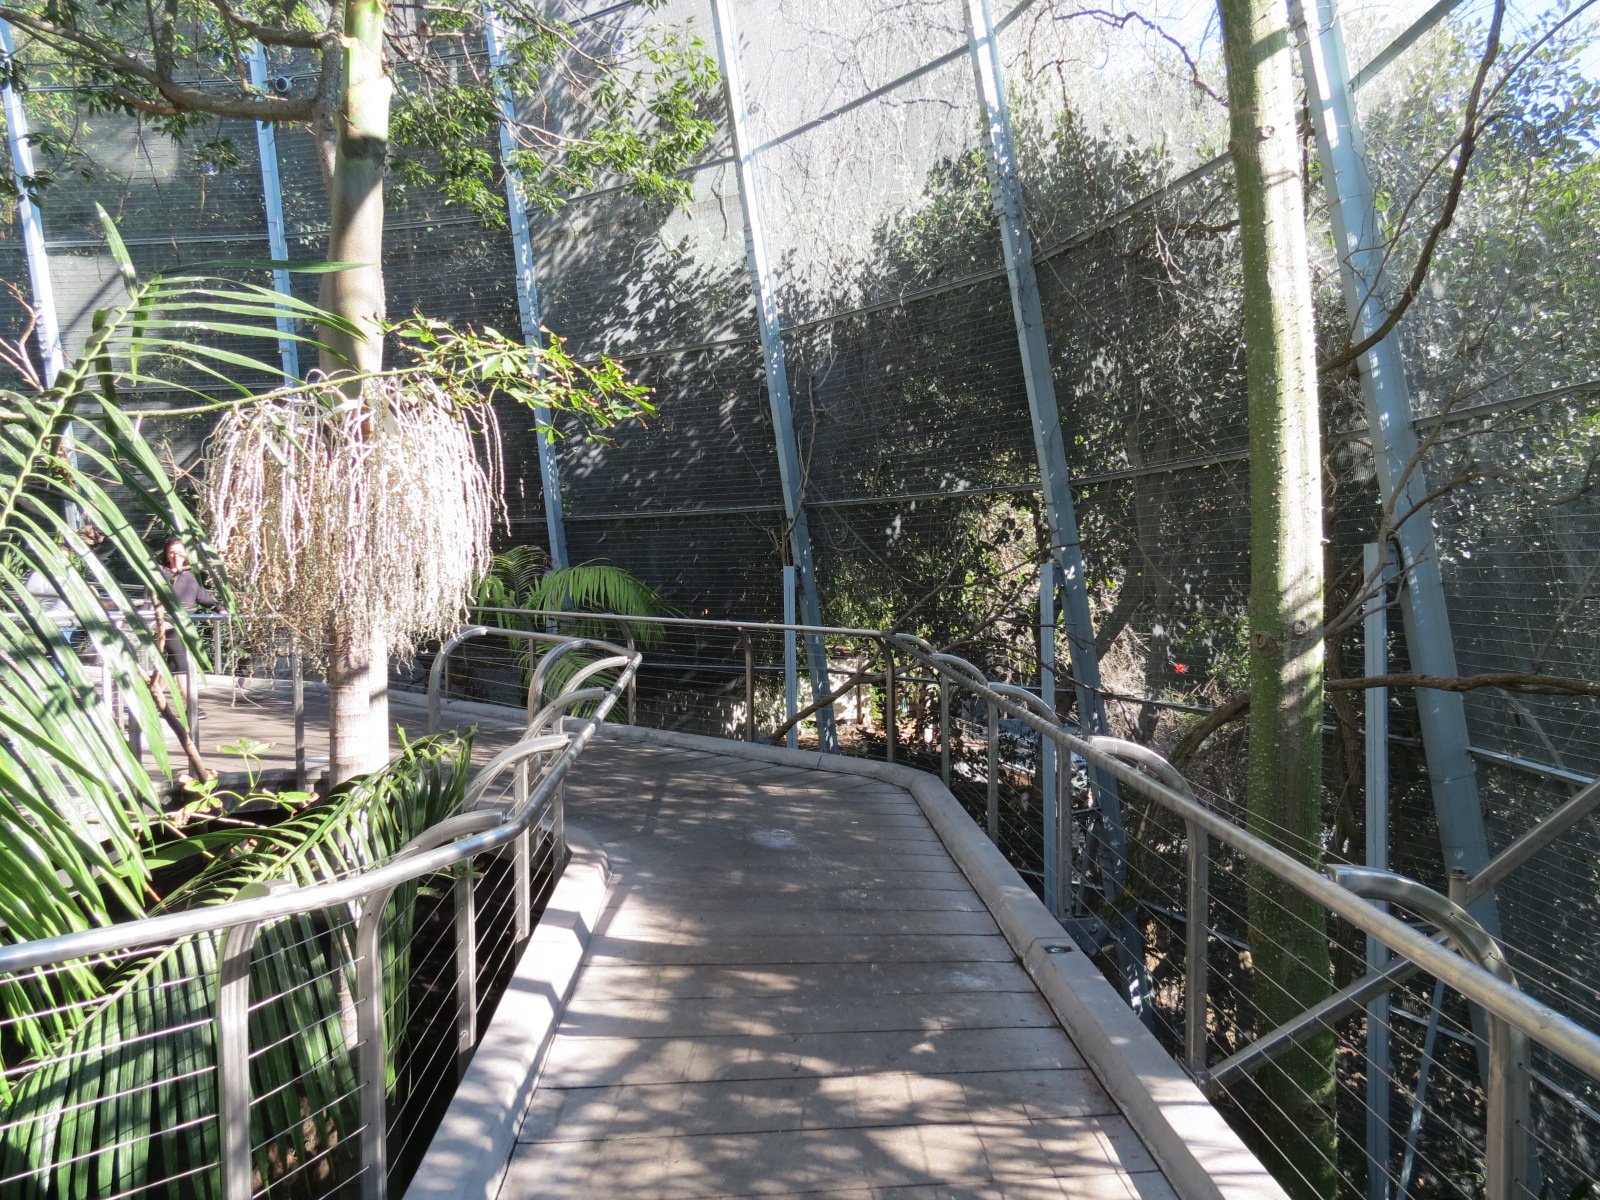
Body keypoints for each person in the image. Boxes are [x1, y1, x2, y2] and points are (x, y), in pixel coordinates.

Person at [157, 537, 217, 679]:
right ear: (166, 555)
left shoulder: (189, 575)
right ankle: (188, 699)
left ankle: (155, 693)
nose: (176, 556)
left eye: (179, 552)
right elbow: (149, 598)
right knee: (181, 665)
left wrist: (219, 608)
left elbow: (201, 596)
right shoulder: (160, 575)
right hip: (167, 625)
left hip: (185, 625)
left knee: (175, 665)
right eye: (172, 552)